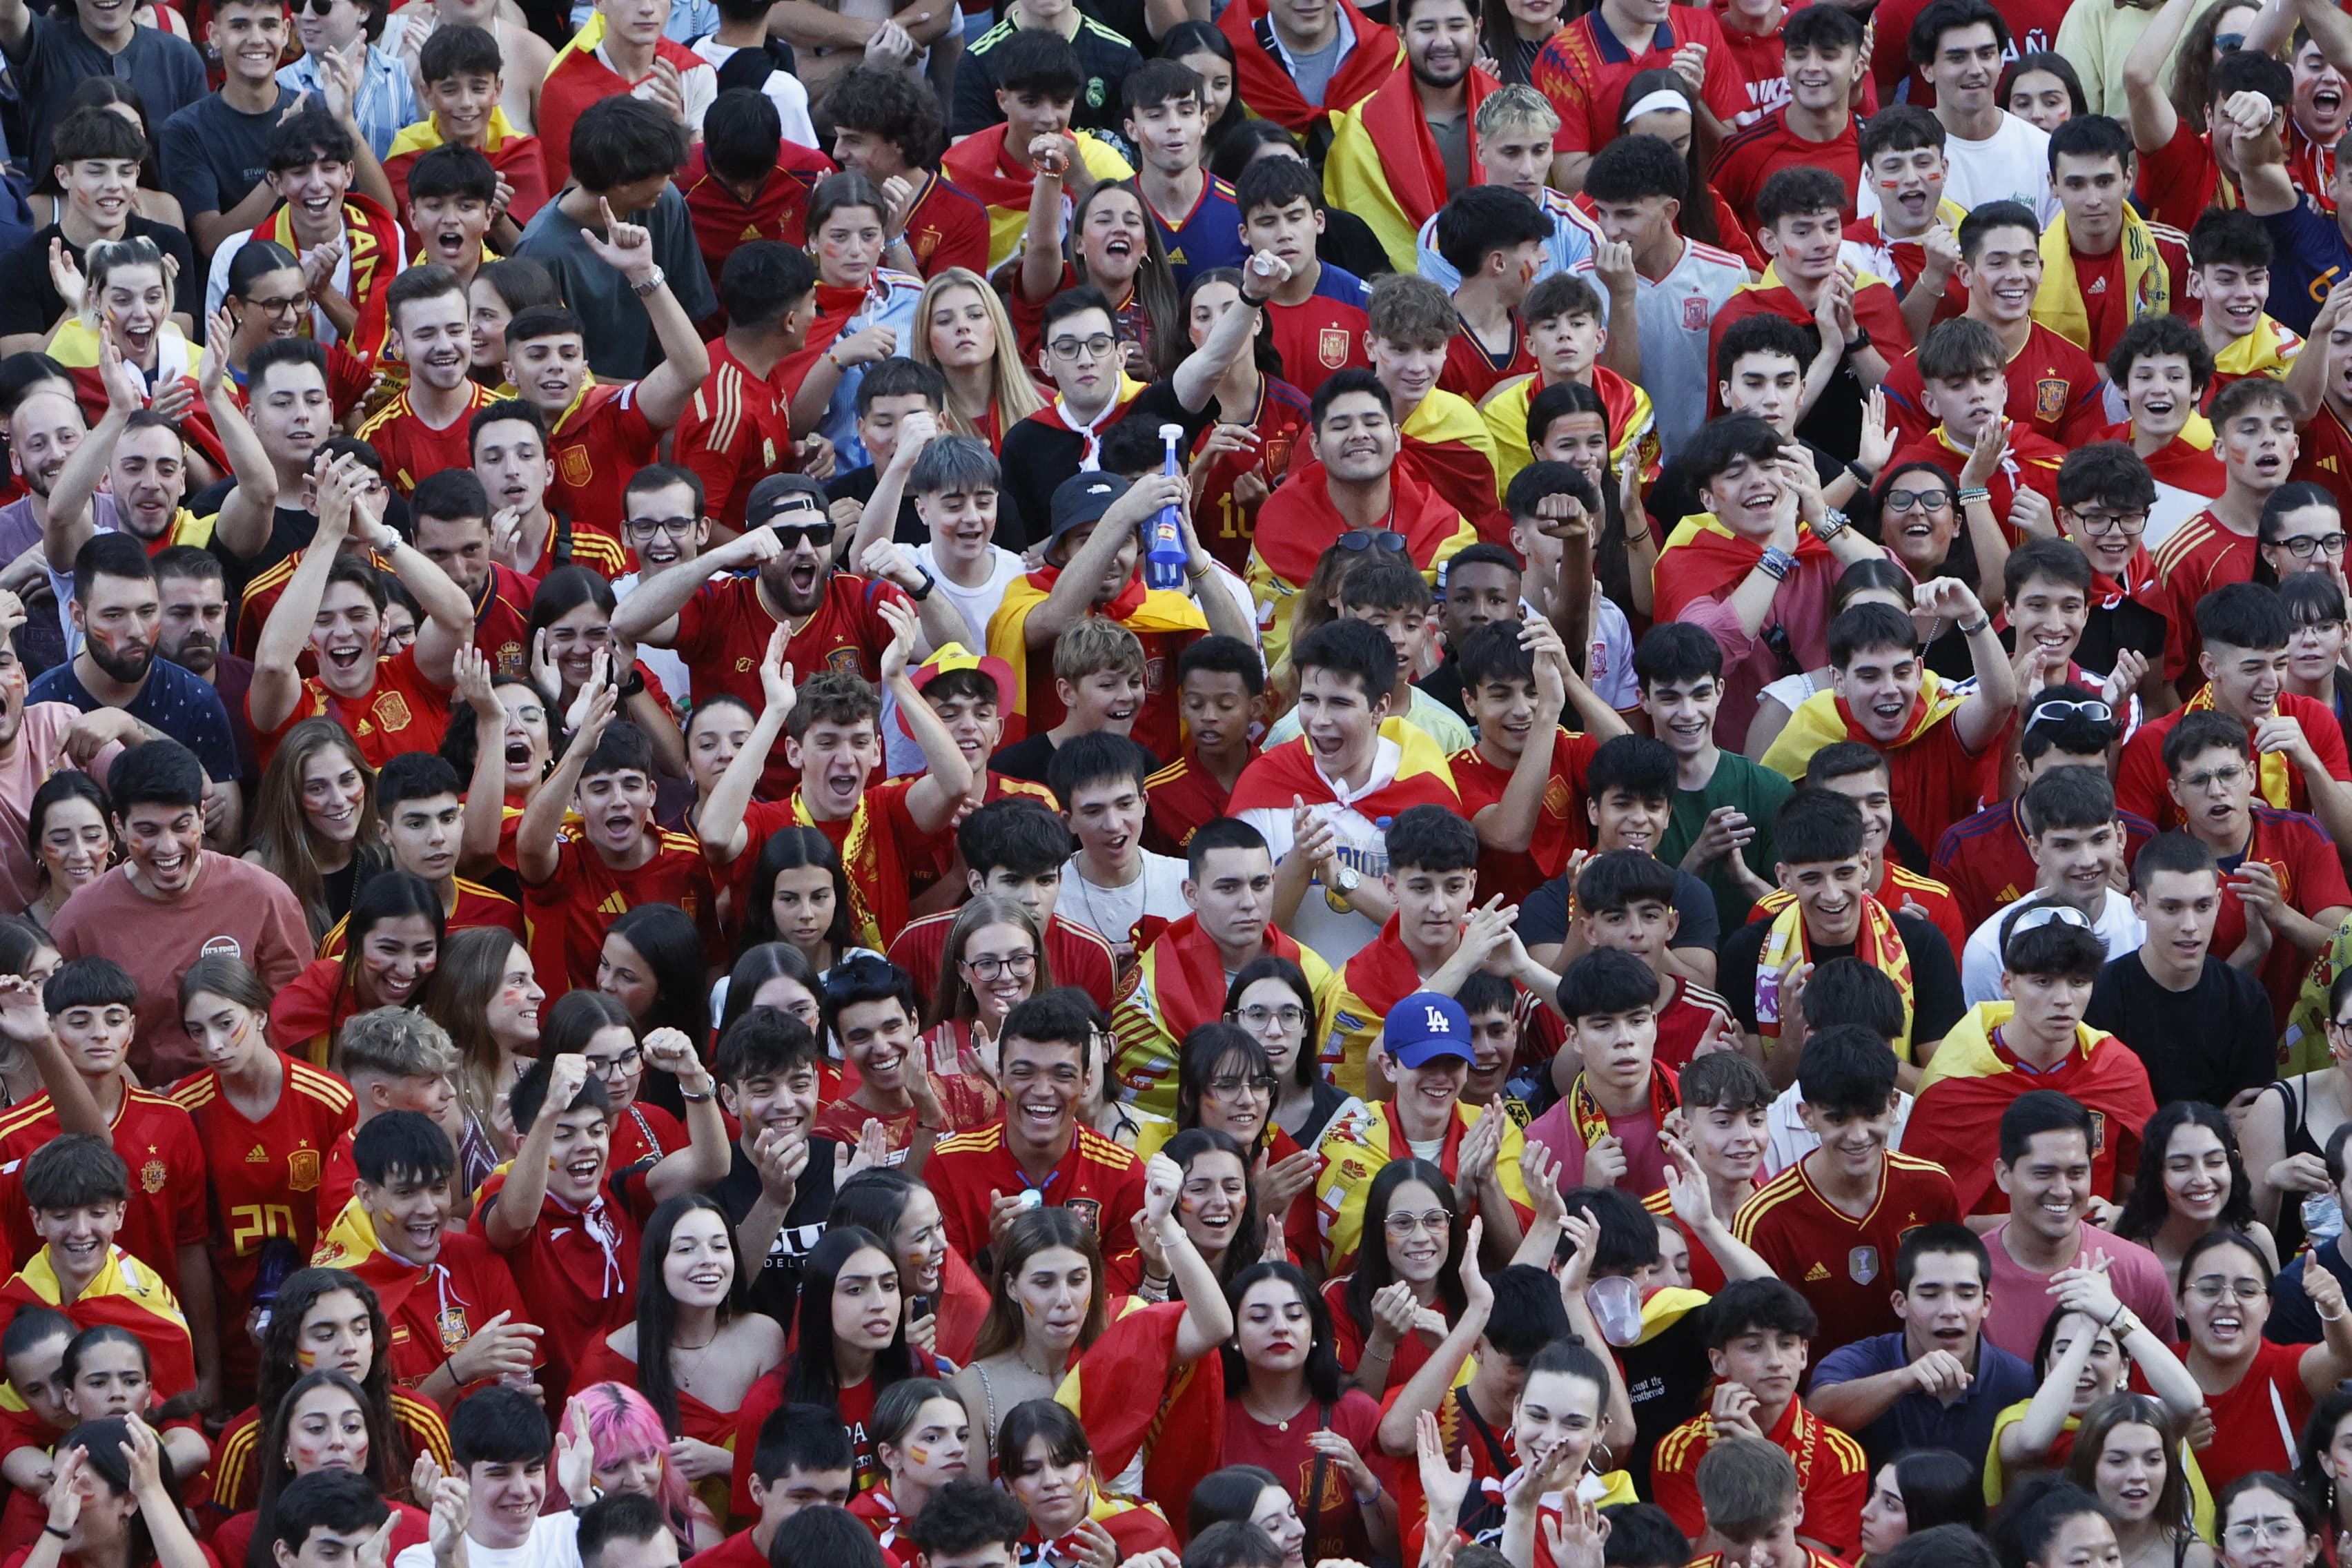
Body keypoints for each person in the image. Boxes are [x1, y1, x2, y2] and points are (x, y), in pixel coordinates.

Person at [49, 743, 306, 1085]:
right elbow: (56, 1033)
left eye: (181, 825)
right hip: (138, 1113)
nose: (168, 847)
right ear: (119, 828)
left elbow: (295, 1022)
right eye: (148, 831)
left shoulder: (263, 896)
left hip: (246, 1105)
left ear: (202, 816)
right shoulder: (79, 919)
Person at [1716, 788, 1966, 1085]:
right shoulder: (1747, 952)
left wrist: (1863, 1047)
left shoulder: (1921, 944)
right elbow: (1756, 1098)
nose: (1833, 895)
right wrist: (1795, 1038)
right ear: (1785, 879)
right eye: (1812, 878)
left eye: (1844, 873)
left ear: (1864, 864)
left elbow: (1944, 1086)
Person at [1732, 1026, 1960, 1349]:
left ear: (1893, 1105)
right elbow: (1754, 1341)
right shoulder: (1762, 1220)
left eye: (1871, 1115)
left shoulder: (1933, 1188)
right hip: (1815, 1398)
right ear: (1807, 1116)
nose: (1858, 1135)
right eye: (1838, 1119)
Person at [1761, 594, 2018, 856]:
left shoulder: (1939, 722)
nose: (1890, 689)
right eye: (1870, 676)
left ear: (1919, 672)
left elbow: (2000, 701)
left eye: (1902, 673)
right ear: (1838, 681)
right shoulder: (1810, 735)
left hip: (1935, 896)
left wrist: (1972, 614)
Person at [1110, 820, 1334, 1119]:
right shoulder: (1147, 999)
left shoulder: (1314, 975)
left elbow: (1329, 1093)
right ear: (1191, 894)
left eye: (1260, 884)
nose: (1248, 903)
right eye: (1228, 888)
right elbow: (1142, 1124)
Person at [1648, 1277, 1869, 1558]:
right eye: (1753, 1347)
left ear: (1803, 1354)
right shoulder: (1679, 1450)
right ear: (1718, 1361)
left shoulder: (1842, 1456)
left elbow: (1804, 1563)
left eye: (1787, 1344)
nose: (1775, 1361)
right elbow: (1696, 1564)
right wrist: (1733, 1467)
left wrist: (1755, 1462)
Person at [926, 989, 1148, 1268]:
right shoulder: (948, 1164)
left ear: (1087, 1081)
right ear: (999, 1075)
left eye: (1062, 1075)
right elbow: (947, 1299)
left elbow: (1121, 1304)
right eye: (1023, 1073)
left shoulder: (1124, 1176)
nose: (1043, 1091)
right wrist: (994, 1255)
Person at [1807, 1224, 2037, 1466]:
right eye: (1930, 1295)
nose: (1950, 1311)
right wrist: (1902, 1380)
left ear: (1986, 1304)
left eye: (1966, 1295)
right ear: (1900, 1303)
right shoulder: (1862, 1361)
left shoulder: (2020, 1381)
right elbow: (1816, 1415)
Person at [2086, 832, 2277, 1112]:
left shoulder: (2247, 999)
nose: (2189, 925)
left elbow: (2252, 1112)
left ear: (2219, 902)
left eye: (2202, 906)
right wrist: (2216, 1123)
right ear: (2139, 906)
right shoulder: (2100, 997)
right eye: (2171, 908)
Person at [1642, 623, 1791, 934]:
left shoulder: (1769, 790)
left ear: (1720, 692)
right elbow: (1627, 919)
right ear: (1643, 700)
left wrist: (1743, 877)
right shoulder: (1629, 797)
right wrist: (1697, 857)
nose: (1688, 712)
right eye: (1670, 699)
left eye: (1700, 695)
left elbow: (1800, 913)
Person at [2177, 1231, 2352, 1492]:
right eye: (2209, 1289)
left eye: (2246, 1291)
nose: (2227, 1302)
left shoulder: (2289, 1370)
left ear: (2268, 1307)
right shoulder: (2148, 1371)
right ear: (2180, 1303)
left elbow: (2344, 1358)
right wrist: (2172, 1447)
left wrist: (2335, 1308)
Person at [1954, 770, 2146, 1006]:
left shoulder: (2148, 930)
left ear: (2120, 838)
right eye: (2065, 845)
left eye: (2099, 840)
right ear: (2036, 850)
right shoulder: (1989, 950)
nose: (2087, 860)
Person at [388, 1386, 581, 1568]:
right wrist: (448, 1559)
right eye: (500, 1474)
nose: (521, 1489)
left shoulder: (575, 1536)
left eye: (532, 1470)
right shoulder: (421, 1560)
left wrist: (583, 1495)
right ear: (460, 1476)